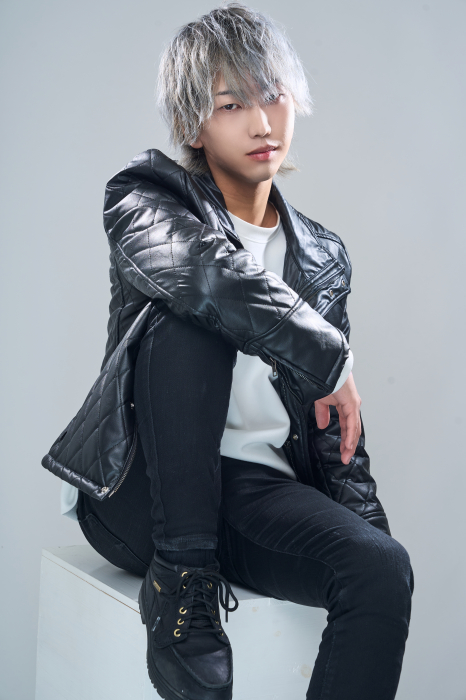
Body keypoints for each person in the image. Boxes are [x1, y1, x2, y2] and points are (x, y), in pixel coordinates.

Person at [65, 3, 414, 699]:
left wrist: (365, 539)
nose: (261, 122)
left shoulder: (321, 255)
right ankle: (180, 586)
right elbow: (207, 275)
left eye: (273, 96)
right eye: (232, 104)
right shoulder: (145, 199)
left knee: (381, 569)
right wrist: (330, 354)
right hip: (144, 490)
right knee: (195, 315)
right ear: (195, 124)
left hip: (254, 494)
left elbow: (334, 429)